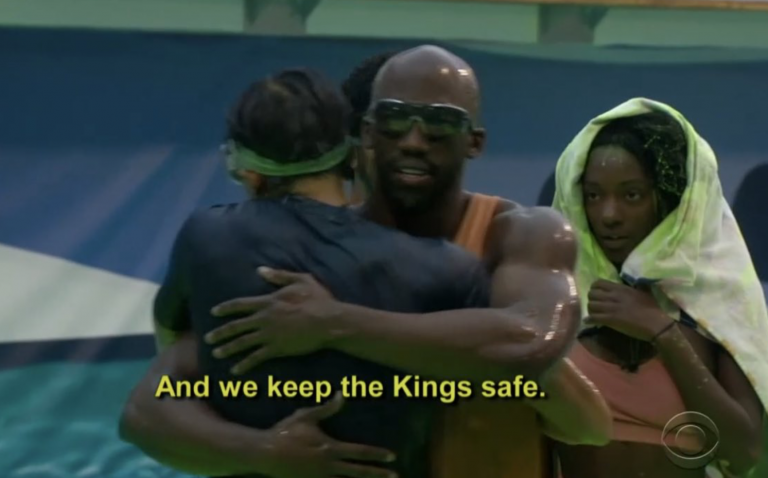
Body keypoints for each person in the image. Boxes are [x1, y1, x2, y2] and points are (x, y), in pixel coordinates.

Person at [121, 47, 613, 478]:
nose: (414, 141)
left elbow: (582, 416)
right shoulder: (305, 260)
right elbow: (150, 407)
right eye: (395, 121)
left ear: (474, 140)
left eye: (439, 124)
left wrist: (338, 323)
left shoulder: (515, 235)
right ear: (363, 134)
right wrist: (265, 449)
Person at [550, 98, 767, 478]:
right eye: (594, 195)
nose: (609, 215)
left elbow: (745, 455)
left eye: (631, 195)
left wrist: (662, 331)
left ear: (672, 202)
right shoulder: (556, 298)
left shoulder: (717, 304)